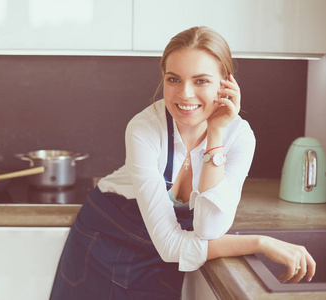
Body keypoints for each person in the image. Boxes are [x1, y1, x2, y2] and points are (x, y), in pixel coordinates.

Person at [50, 26, 316, 299]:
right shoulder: (144, 129)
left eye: (201, 81)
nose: (185, 94)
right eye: (174, 79)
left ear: (225, 83)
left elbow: (209, 229)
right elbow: (169, 245)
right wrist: (260, 243)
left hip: (165, 253)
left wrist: (216, 133)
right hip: (106, 241)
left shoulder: (239, 136)